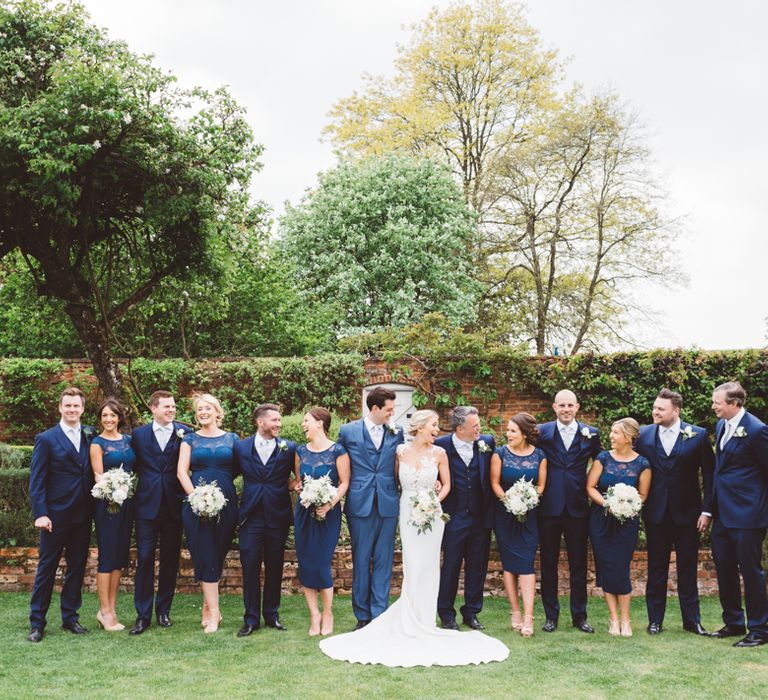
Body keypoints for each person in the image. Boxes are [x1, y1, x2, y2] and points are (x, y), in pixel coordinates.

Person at [320, 410, 509, 666]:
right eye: (433, 425)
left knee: (430, 564)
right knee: (412, 564)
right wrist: (415, 503)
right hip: (408, 512)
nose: (437, 429)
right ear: (420, 427)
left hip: (432, 514)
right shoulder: (400, 452)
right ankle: (409, 614)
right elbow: (395, 482)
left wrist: (432, 501)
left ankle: (426, 618)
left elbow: (448, 485)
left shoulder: (440, 453)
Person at [636, 388, 714, 635]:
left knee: (688, 569)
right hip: (655, 514)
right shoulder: (644, 435)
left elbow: (711, 477)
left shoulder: (698, 436)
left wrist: (707, 511)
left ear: (676, 411)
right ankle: (655, 621)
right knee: (656, 568)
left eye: (660, 408)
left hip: (689, 516)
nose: (655, 412)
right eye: (654, 407)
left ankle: (692, 621)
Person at [27, 387, 94, 643]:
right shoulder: (46, 439)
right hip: (54, 516)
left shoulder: (90, 434)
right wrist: (41, 513)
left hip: (83, 515)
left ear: (82, 408)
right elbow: (37, 480)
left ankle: (70, 618)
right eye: (68, 406)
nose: (72, 410)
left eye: (76, 406)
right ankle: (37, 623)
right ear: (60, 408)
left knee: (76, 569)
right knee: (47, 569)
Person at [708, 381, 768, 648]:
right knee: (724, 568)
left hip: (748, 514)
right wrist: (709, 508)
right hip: (722, 513)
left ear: (733, 404)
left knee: (751, 572)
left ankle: (759, 628)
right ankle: (733, 622)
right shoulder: (721, 425)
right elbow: (719, 472)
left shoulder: (757, 430)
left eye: (717, 403)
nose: (713, 407)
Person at [339, 387, 404, 629]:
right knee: (361, 559)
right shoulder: (348, 431)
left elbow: (404, 461)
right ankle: (362, 616)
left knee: (384, 560)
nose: (392, 413)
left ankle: (379, 614)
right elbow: (338, 463)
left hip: (387, 503)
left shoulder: (397, 432)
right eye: (389, 409)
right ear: (375, 409)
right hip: (359, 503)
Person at [537, 389, 601, 633]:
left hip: (577, 507)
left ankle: (579, 616)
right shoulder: (541, 432)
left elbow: (602, 462)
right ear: (554, 407)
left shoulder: (591, 434)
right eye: (561, 405)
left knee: (578, 564)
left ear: (577, 407)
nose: (566, 409)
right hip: (549, 508)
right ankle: (550, 616)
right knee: (548, 563)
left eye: (570, 405)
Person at [129, 390, 191, 635]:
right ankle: (142, 615)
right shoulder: (139, 435)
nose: (171, 410)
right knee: (144, 558)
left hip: (174, 506)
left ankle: (163, 610)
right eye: (166, 407)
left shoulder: (185, 433)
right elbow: (131, 466)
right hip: (146, 506)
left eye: (173, 406)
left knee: (169, 560)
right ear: (153, 408)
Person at [233, 403, 296, 637]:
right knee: (249, 568)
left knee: (274, 567)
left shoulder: (289, 448)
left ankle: (272, 615)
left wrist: (293, 486)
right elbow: (229, 474)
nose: (278, 424)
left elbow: (295, 479)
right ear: (260, 422)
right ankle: (250, 619)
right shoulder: (240, 448)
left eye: (280, 420)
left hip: (277, 516)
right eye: (274, 420)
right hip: (250, 517)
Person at [178, 393, 238, 633]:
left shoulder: (232, 439)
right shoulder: (189, 440)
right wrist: (197, 497)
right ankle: (214, 613)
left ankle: (207, 604)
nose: (203, 412)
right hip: (195, 501)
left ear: (217, 411)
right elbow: (182, 472)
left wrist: (219, 489)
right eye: (199, 409)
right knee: (204, 552)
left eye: (207, 408)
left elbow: (241, 468)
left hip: (226, 500)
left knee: (218, 551)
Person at [587, 418, 651, 637]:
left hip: (627, 523)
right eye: (612, 432)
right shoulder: (603, 458)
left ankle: (626, 619)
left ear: (629, 437)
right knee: (605, 566)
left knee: (621, 567)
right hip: (601, 520)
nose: (611, 436)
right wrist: (607, 503)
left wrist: (626, 506)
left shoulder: (642, 463)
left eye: (616, 433)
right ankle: (613, 619)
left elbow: (642, 495)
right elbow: (590, 486)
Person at [435, 406, 495, 631]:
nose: (479, 428)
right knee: (450, 566)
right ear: (460, 429)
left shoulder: (487, 442)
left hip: (480, 518)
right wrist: (435, 482)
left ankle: (471, 612)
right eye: (475, 425)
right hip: (453, 517)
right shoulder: (441, 445)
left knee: (477, 567)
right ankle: (446, 614)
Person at [293, 407, 350, 636]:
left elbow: (344, 482)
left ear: (319, 422)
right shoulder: (299, 452)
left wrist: (330, 504)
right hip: (304, 512)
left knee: (322, 563)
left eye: (306, 420)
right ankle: (314, 615)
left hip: (329, 513)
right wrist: (298, 488)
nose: (303, 424)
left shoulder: (338, 451)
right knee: (306, 563)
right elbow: (297, 481)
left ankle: (327, 613)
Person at [490, 413, 547, 637]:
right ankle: (515, 612)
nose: (508, 434)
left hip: (530, 517)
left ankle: (528, 617)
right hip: (505, 516)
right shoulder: (499, 454)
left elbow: (542, 485)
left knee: (526, 564)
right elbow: (494, 483)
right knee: (509, 565)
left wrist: (529, 500)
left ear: (524, 433)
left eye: (512, 430)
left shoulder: (540, 456)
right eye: (508, 430)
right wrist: (510, 501)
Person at [90, 398, 136, 632]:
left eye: (113, 415)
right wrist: (114, 489)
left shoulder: (129, 441)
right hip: (107, 505)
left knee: (119, 556)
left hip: (127, 504)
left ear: (120, 418)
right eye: (105, 415)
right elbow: (98, 476)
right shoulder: (97, 444)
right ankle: (104, 610)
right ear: (100, 418)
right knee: (107, 556)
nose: (108, 419)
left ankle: (111, 609)